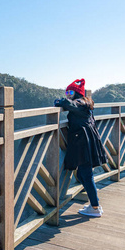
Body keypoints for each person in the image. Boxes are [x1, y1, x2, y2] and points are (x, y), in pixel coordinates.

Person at [54, 78, 107, 217]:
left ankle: (95, 207)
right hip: (88, 142)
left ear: (77, 92)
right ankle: (95, 204)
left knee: (86, 175)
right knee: (84, 174)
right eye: (66, 91)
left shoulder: (79, 103)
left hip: (84, 143)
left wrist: (59, 102)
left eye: (70, 91)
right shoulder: (86, 103)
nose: (67, 94)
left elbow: (66, 103)